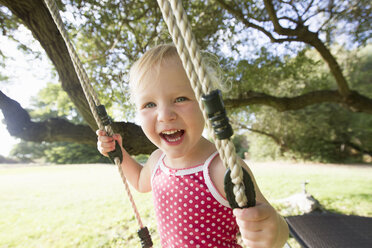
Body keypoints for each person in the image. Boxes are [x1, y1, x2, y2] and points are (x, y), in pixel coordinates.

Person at [97, 44, 289, 248]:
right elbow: (139, 182)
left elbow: (273, 227)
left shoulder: (222, 168)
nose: (164, 115)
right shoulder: (157, 160)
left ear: (205, 105)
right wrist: (119, 153)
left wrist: (273, 231)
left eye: (180, 99)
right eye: (149, 104)